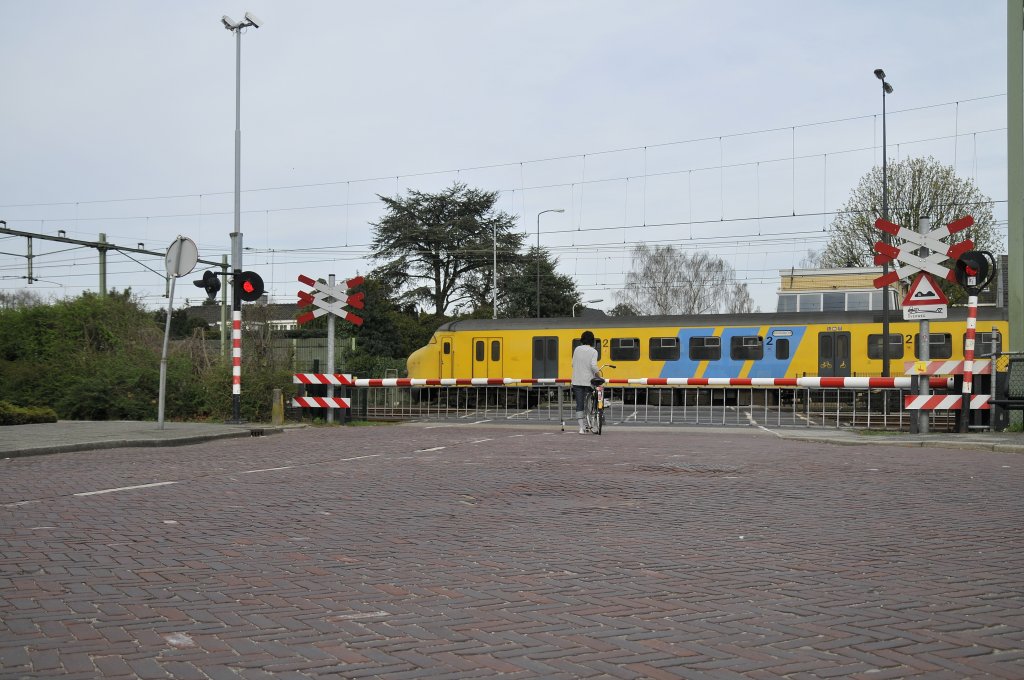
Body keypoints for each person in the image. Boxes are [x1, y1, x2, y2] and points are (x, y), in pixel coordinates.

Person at [571, 330, 600, 434]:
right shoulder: (594, 351)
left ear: (582, 339)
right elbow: (593, 366)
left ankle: (581, 428)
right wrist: (599, 374)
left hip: (577, 380)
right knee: (589, 403)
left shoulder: (577, 349)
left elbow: (573, 364)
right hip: (588, 382)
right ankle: (591, 423)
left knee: (579, 404)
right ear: (592, 341)